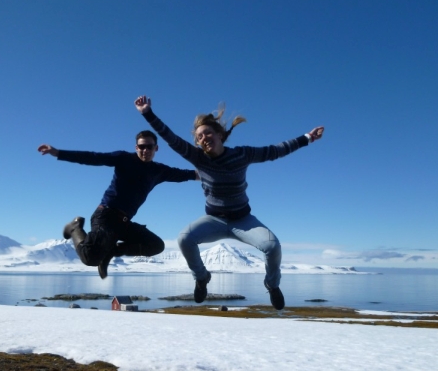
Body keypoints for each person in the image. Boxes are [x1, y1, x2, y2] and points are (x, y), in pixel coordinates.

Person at [134, 95, 325, 310]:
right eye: (199, 136)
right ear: (197, 142)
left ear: (220, 135)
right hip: (213, 220)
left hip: (244, 220)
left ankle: (272, 285)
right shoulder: (198, 158)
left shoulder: (242, 154)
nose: (204, 137)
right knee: (184, 239)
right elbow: (170, 138)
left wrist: (307, 137)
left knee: (272, 246)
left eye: (208, 132)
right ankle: (202, 277)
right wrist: (147, 113)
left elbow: (275, 151)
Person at [37, 130, 199, 278]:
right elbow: (93, 157)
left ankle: (110, 252)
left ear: (156, 148)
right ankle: (74, 228)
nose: (145, 150)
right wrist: (58, 152)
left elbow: (185, 174)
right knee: (90, 259)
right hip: (105, 216)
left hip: (123, 222)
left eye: (149, 147)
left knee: (156, 246)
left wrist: (210, 174)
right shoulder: (124, 159)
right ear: (136, 147)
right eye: (142, 146)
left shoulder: (158, 170)